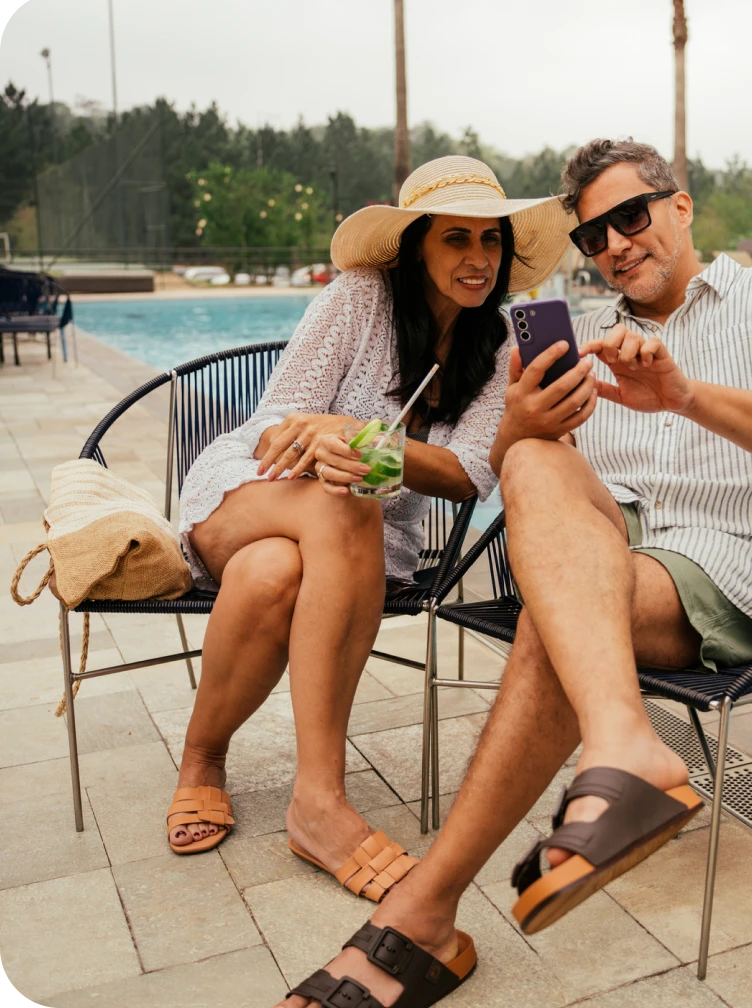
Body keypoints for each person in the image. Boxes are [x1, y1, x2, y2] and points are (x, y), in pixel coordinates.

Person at [276, 139, 752, 1008]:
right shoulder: (579, 339)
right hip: (610, 557)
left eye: (632, 216)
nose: (617, 244)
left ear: (680, 206)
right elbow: (502, 480)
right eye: (593, 237)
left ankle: (422, 913)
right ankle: (623, 747)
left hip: (734, 569)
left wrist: (684, 396)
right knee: (538, 466)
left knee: (559, 619)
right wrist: (516, 421)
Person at [165, 157, 584, 907]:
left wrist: (361, 442)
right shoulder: (360, 298)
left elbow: (466, 478)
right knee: (342, 500)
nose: (479, 259)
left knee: (272, 574)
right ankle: (318, 800)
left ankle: (201, 762)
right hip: (254, 491)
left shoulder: (493, 352)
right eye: (457, 239)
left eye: (492, 242)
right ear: (416, 243)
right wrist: (325, 448)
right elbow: (274, 423)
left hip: (361, 545)